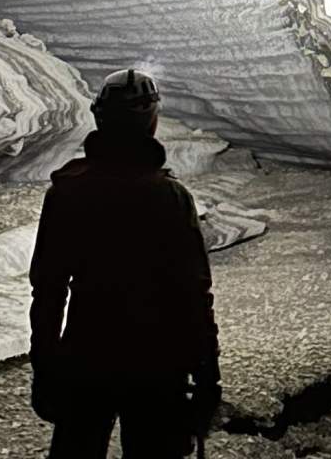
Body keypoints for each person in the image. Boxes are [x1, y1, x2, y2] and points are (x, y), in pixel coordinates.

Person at [29, 68, 222, 458]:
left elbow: (48, 290)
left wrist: (46, 368)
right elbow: (193, 294)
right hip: (157, 365)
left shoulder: (68, 193)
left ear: (101, 117)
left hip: (86, 358)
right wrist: (206, 376)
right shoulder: (171, 198)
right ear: (151, 121)